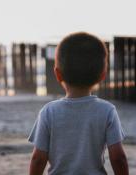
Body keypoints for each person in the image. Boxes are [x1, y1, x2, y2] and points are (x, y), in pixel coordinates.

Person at [28, 32, 129, 175]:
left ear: (57, 74)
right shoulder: (107, 110)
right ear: (102, 75)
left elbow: (38, 159)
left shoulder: (48, 111)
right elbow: (118, 158)